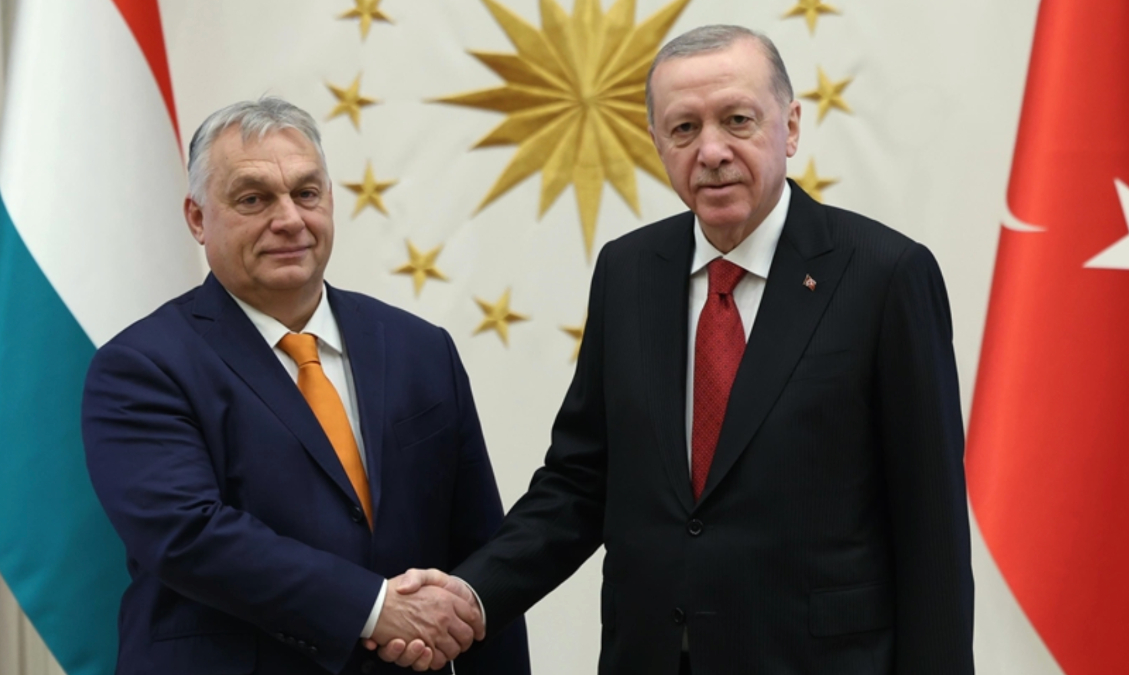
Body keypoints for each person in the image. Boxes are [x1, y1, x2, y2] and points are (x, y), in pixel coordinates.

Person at [383, 24, 976, 674]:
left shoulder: (885, 276)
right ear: (657, 142)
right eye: (684, 128)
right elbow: (581, 481)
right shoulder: (628, 272)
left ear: (791, 127)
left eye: (737, 120)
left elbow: (932, 530)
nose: (712, 151)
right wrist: (470, 595)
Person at [81, 97, 530, 675]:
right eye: (253, 199)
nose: (290, 219)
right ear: (197, 218)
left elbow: (476, 551)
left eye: (306, 193)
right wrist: (374, 609)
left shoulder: (421, 349)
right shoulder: (141, 366)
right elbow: (190, 535)